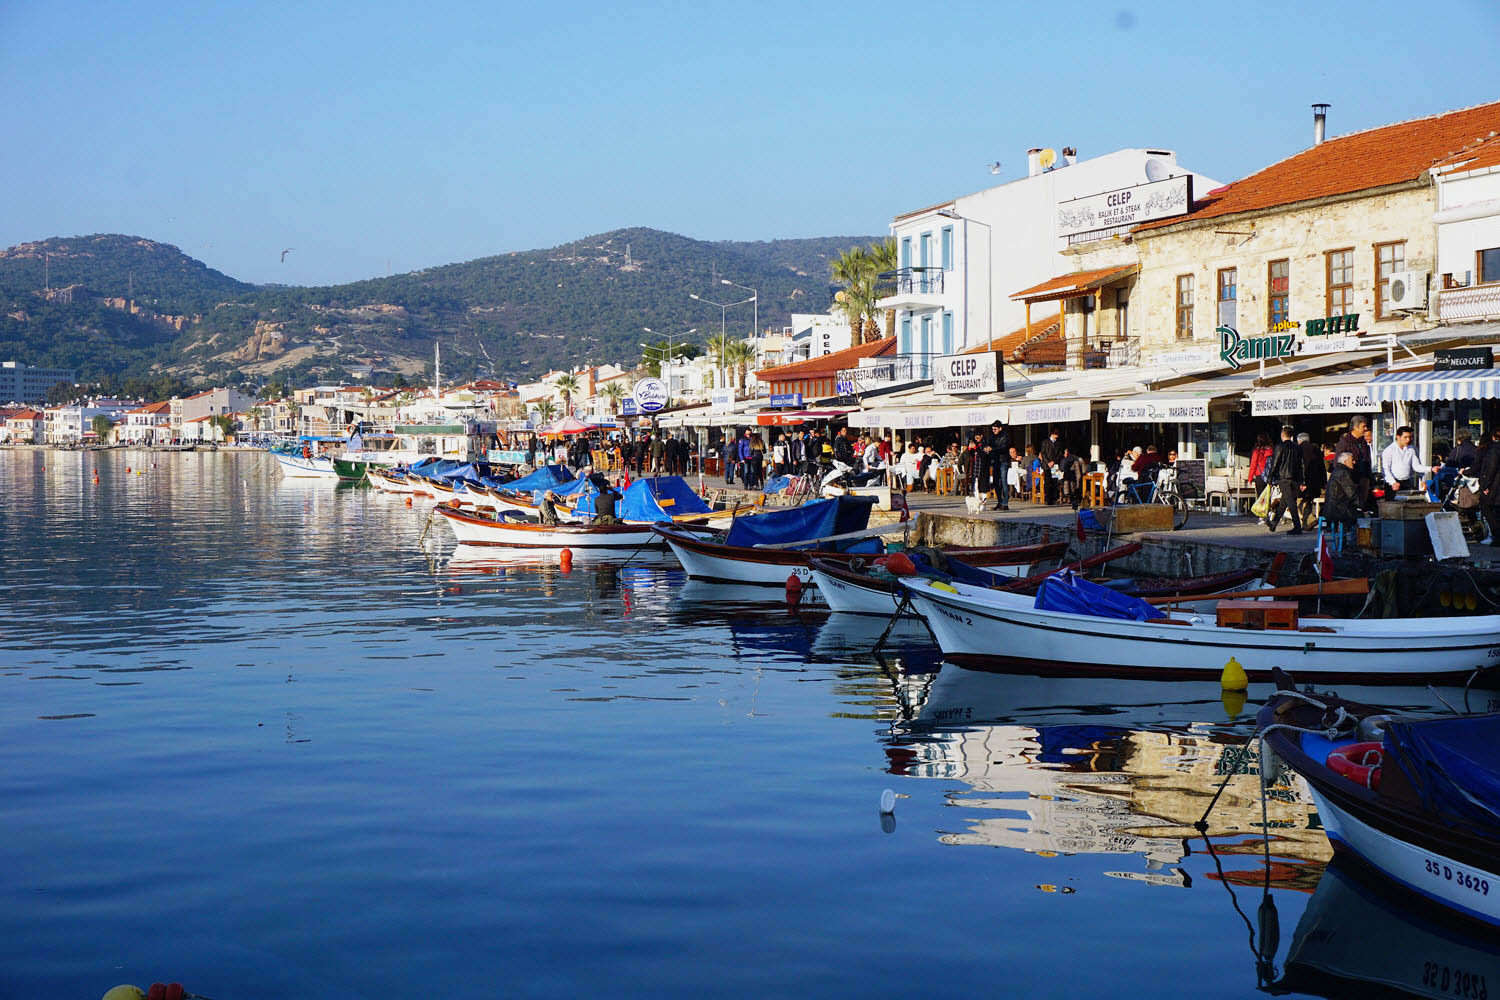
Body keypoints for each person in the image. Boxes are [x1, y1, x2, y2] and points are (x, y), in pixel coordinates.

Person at [1264, 424, 1306, 534]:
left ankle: (1297, 526)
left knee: (1290, 502)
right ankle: (1274, 523)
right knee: (1284, 501)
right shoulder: (1298, 447)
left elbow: (1275, 463)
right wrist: (1303, 480)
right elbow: (1302, 465)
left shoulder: (1280, 447)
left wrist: (1270, 477)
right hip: (1295, 479)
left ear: (1282, 435)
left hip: (1284, 478)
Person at [1335, 417, 1374, 510]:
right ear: (1356, 427)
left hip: (1364, 480)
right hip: (1351, 482)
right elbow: (1338, 464)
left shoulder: (1363, 442)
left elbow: (1367, 460)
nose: (1365, 429)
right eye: (1363, 426)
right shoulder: (1344, 443)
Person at [1381, 425, 1430, 494]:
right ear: (1398, 437)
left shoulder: (1412, 449)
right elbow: (1386, 469)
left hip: (1407, 482)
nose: (1408, 440)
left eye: (1410, 437)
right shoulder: (1389, 450)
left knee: (1408, 503)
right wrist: (1393, 482)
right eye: (1405, 437)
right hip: (1393, 484)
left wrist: (1424, 478)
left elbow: (1416, 466)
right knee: (1393, 504)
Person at [1323, 451, 1360, 538]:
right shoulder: (1343, 473)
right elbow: (1351, 493)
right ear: (1345, 462)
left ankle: (1345, 541)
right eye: (1352, 460)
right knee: (1361, 517)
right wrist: (1362, 505)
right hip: (1337, 509)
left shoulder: (1337, 471)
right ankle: (1351, 542)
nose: (1354, 462)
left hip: (1331, 507)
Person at [1298, 432, 1326, 529]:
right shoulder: (1316, 450)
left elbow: (1300, 467)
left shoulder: (1299, 450)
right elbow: (1322, 467)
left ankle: (1311, 520)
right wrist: (1323, 483)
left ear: (1299, 441)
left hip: (1304, 481)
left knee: (1300, 501)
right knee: (1307, 501)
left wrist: (1301, 482)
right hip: (1315, 483)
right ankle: (1306, 524)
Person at [983, 420, 1011, 510]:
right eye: (992, 429)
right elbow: (988, 444)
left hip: (1003, 461)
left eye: (995, 429)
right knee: (996, 482)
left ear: (1000, 428)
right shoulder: (992, 437)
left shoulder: (1005, 436)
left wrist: (992, 449)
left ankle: (1005, 503)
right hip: (995, 461)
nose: (993, 431)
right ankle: (1000, 501)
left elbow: (1003, 448)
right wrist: (986, 448)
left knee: (1003, 481)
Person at [1479, 428, 1500, 544]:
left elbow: (1491, 468)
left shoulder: (1494, 449)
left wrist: (1485, 485)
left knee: (1487, 508)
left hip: (1495, 487)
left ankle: (1496, 537)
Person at [1038, 428, 1064, 505]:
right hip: (1046, 465)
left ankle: (1054, 498)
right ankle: (1048, 498)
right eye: (1056, 434)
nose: (1057, 436)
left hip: (1055, 465)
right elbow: (1043, 453)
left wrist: (1054, 461)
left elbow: (1059, 454)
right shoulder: (1045, 442)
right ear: (1052, 434)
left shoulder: (1058, 443)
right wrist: (1048, 462)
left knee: (1055, 482)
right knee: (1048, 482)